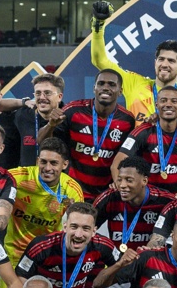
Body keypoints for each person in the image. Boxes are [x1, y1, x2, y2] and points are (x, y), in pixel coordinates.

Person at [16, 201, 120, 288]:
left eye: (85, 228)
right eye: (74, 227)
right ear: (65, 227)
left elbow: (123, 269)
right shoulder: (42, 245)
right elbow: (20, 278)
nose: (78, 234)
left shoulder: (102, 245)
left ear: (94, 231)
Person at [91, 157, 177, 288]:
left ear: (144, 181)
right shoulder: (109, 198)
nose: (122, 185)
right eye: (120, 180)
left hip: (149, 274)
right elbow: (87, 227)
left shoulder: (165, 201)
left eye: (129, 180)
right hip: (118, 273)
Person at [89, 0, 177, 123]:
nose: (164, 64)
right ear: (155, 63)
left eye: (171, 61)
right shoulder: (134, 83)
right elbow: (99, 60)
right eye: (161, 59)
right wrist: (98, 25)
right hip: (137, 142)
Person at [54, 68, 136, 200]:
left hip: (106, 194)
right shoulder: (72, 111)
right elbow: (52, 145)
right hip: (71, 191)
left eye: (112, 84)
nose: (105, 87)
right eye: (101, 83)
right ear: (94, 88)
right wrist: (50, 125)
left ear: (120, 91)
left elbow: (125, 158)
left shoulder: (127, 120)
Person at [4, 137, 84, 264]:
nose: (47, 168)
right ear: (37, 161)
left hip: (48, 255)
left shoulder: (71, 190)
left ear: (64, 164)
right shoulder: (18, 177)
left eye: (53, 163)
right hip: (15, 253)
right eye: (43, 162)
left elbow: (78, 229)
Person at [112, 85, 177, 194]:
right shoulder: (142, 132)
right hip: (148, 200)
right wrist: (121, 187)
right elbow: (116, 164)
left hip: (176, 198)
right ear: (157, 105)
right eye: (163, 100)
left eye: (174, 101)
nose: (168, 104)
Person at [14, 73, 68, 167]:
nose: (42, 97)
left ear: (59, 97)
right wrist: (23, 101)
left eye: (47, 93)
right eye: (38, 93)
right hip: (26, 180)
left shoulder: (68, 118)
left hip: (57, 179)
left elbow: (43, 142)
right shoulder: (23, 115)